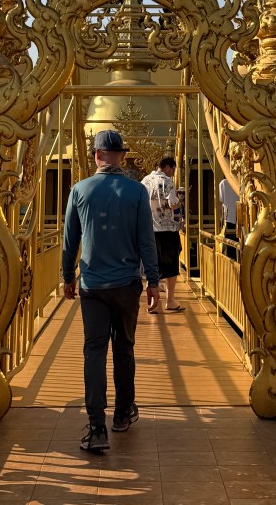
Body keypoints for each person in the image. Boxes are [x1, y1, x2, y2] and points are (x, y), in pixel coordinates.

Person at [62, 129, 160, 454]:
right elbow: (147, 240)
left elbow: (69, 241)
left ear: (95, 155)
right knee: (124, 348)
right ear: (120, 155)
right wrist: (155, 283)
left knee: (94, 352)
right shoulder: (135, 192)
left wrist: (67, 277)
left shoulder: (79, 190)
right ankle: (122, 413)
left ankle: (96, 427)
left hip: (92, 285)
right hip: (127, 284)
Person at [141, 156, 183, 312]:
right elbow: (172, 204)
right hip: (167, 229)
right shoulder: (168, 182)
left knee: (153, 265)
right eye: (172, 169)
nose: (172, 173)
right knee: (171, 266)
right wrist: (179, 203)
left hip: (150, 229)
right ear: (167, 167)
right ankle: (170, 300)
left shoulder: (144, 181)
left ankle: (152, 304)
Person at [218, 176, 239, 260]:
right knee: (237, 244)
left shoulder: (223, 183)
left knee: (229, 245)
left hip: (228, 218)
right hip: (239, 218)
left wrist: (221, 218)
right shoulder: (239, 182)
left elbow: (220, 202)